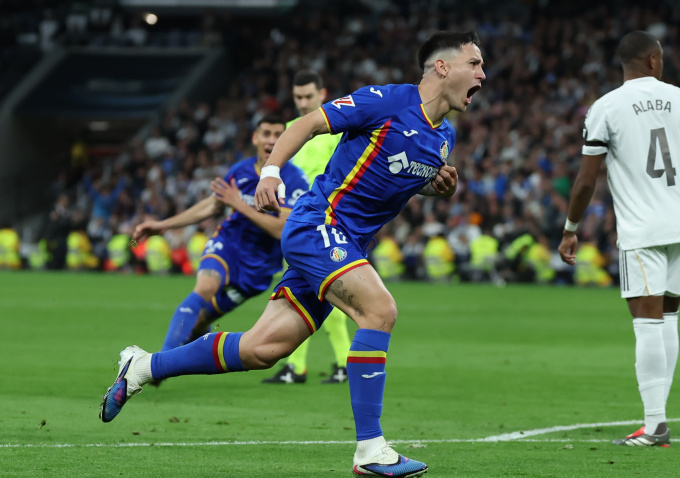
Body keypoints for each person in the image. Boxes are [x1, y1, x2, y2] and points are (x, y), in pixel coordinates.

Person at [100, 31, 484, 477]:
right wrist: (270, 173)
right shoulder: (385, 101)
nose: (482, 73)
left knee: (262, 349)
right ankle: (371, 449)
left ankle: (143, 366)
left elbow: (391, 179)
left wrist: (436, 188)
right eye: (474, 63)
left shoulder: (443, 139)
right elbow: (305, 125)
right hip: (318, 226)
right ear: (442, 67)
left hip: (345, 245)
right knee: (379, 310)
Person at [558, 31, 680, 447]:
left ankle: (655, 423)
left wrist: (571, 230)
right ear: (654, 60)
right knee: (670, 318)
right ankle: (658, 419)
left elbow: (587, 179)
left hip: (642, 231)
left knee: (647, 324)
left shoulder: (606, 107)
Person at [132, 116, 309, 353]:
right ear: (255, 138)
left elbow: (282, 228)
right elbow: (212, 205)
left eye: (278, 134)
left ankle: (187, 350)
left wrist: (240, 204)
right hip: (228, 243)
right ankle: (159, 362)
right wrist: (164, 225)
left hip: (259, 267)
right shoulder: (240, 170)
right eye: (266, 133)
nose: (271, 140)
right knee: (204, 288)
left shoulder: (295, 179)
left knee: (202, 320)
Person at [260, 70, 353, 386]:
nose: (302, 103)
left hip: (327, 222)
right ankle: (296, 367)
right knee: (296, 293)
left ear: (322, 94)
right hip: (296, 224)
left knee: (332, 291)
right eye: (297, 97)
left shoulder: (336, 130)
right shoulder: (289, 132)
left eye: (308, 97)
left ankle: (343, 363)